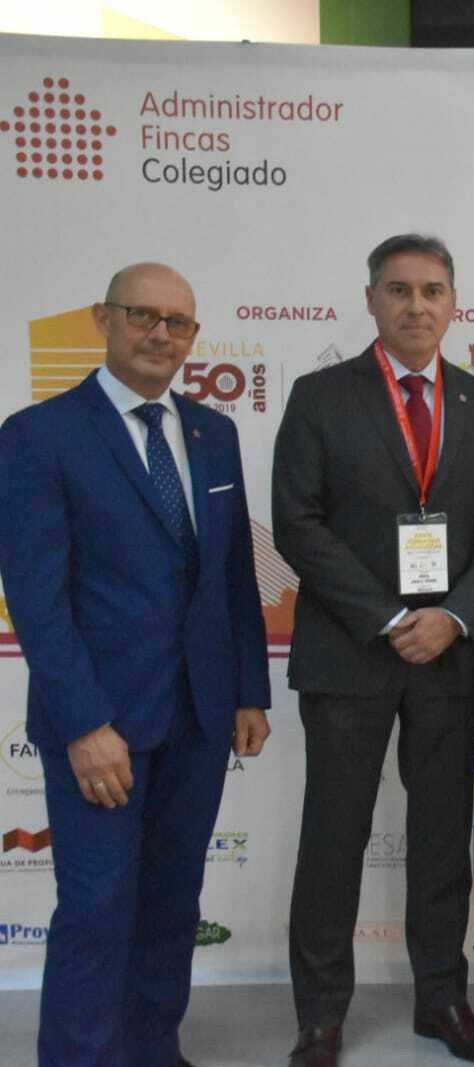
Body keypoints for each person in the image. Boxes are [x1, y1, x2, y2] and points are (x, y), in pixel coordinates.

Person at [0, 262, 271, 1066]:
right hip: (101, 725)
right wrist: (85, 724)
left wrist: (248, 690)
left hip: (199, 713)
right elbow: (37, 601)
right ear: (103, 319)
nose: (161, 334)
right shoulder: (38, 435)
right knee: (95, 908)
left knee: (169, 903)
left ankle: (153, 1048)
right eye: (142, 315)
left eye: (178, 322)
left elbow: (230, 576)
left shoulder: (211, 432)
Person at [272, 234, 474, 1067]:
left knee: (444, 836)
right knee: (333, 837)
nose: (418, 306)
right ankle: (320, 1015)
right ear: (371, 299)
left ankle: (442, 999)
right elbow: (297, 521)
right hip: (350, 653)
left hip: (449, 654)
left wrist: (453, 615)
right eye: (400, 290)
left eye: (434, 291)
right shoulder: (320, 396)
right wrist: (387, 617)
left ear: (455, 303)